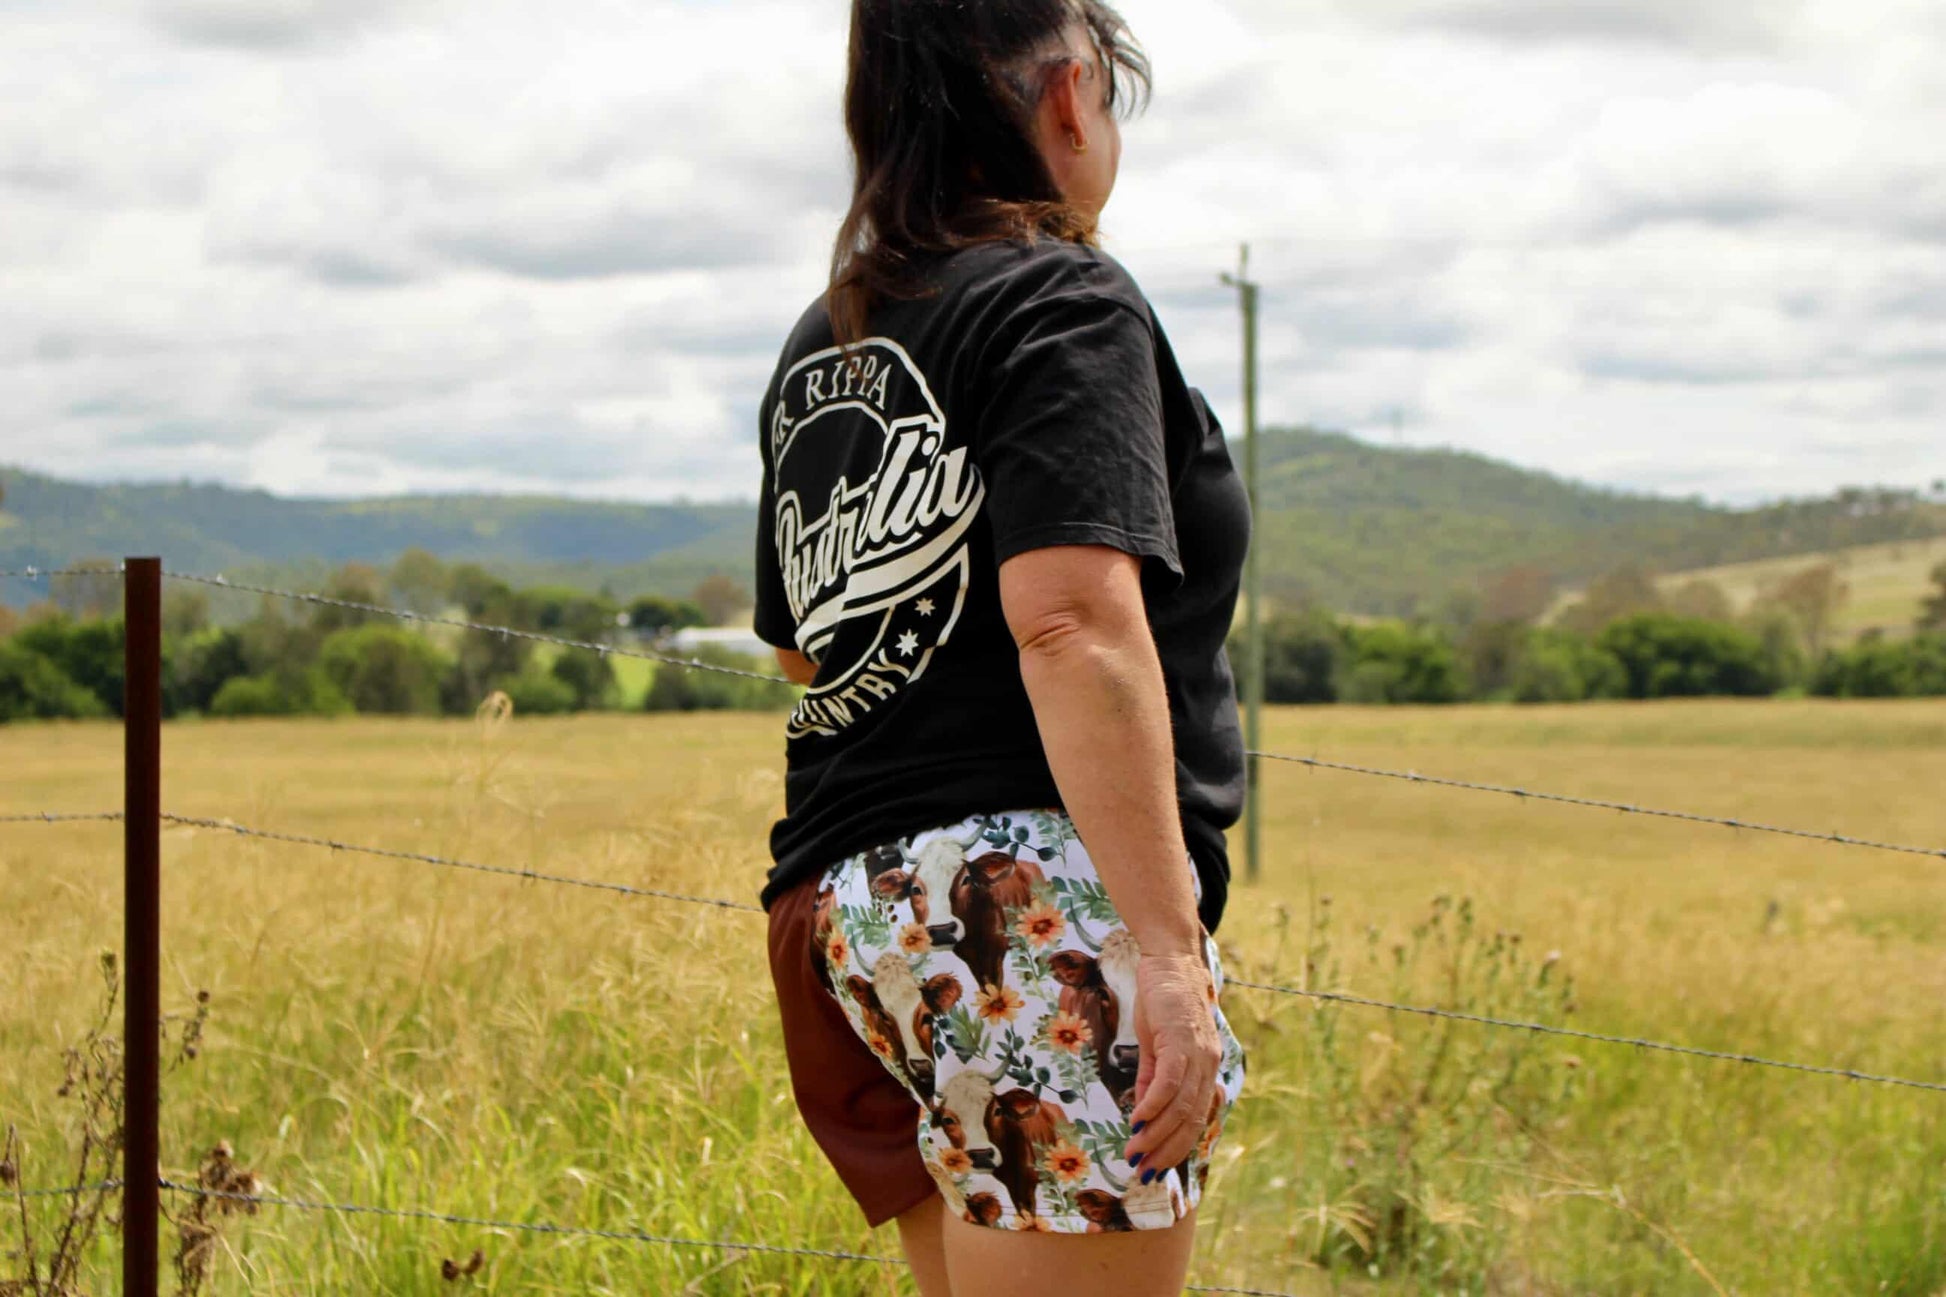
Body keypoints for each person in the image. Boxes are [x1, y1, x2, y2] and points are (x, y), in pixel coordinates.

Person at [754, 2, 1251, 1293]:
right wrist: (1164, 951)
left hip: (849, 904)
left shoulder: (833, 333)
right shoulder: (1063, 296)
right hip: (1024, 900)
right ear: (1071, 92)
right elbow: (1069, 620)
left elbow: (807, 653)